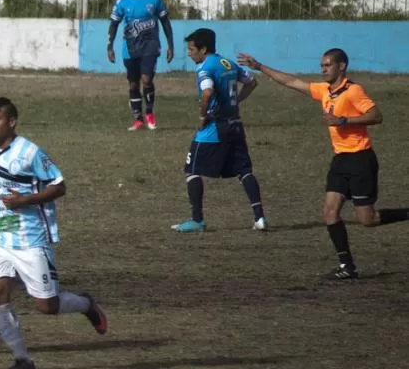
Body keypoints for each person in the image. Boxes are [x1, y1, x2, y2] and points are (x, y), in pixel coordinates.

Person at [0, 97, 107, 369]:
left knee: (46, 305)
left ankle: (86, 304)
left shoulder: (31, 153)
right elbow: (2, 191)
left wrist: (25, 200)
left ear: (12, 121)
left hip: (31, 239)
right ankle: (22, 360)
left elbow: (59, 186)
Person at [236, 49, 409, 278]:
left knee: (368, 219)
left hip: (360, 160)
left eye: (327, 65)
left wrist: (344, 121)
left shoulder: (353, 91)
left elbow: (376, 115)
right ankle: (347, 267)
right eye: (321, 66)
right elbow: (291, 81)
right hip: (340, 161)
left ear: (341, 66)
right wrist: (260, 66)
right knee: (330, 212)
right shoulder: (325, 90)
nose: (323, 69)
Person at [172, 28, 267, 233]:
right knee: (244, 171)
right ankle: (259, 218)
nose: (189, 53)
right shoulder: (228, 63)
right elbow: (252, 81)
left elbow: (207, 91)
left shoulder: (205, 67)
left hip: (214, 127)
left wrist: (202, 116)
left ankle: (197, 220)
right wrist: (237, 101)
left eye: (191, 49)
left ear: (203, 49)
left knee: (192, 170)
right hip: (235, 125)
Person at [106, 0, 174, 131]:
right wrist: (110, 47)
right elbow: (114, 25)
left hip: (150, 46)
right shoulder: (122, 2)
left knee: (147, 80)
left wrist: (170, 45)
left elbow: (165, 23)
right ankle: (138, 119)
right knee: (133, 85)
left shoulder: (154, 0)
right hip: (129, 49)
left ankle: (149, 113)